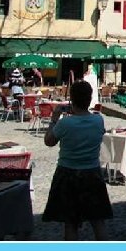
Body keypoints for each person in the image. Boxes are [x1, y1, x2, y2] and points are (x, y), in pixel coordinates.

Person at [42, 80, 112, 240]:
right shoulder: (98, 120)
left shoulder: (65, 123)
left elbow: (49, 141)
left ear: (72, 99)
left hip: (68, 173)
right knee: (97, 220)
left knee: (70, 222)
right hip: (92, 173)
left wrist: (54, 118)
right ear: (89, 99)